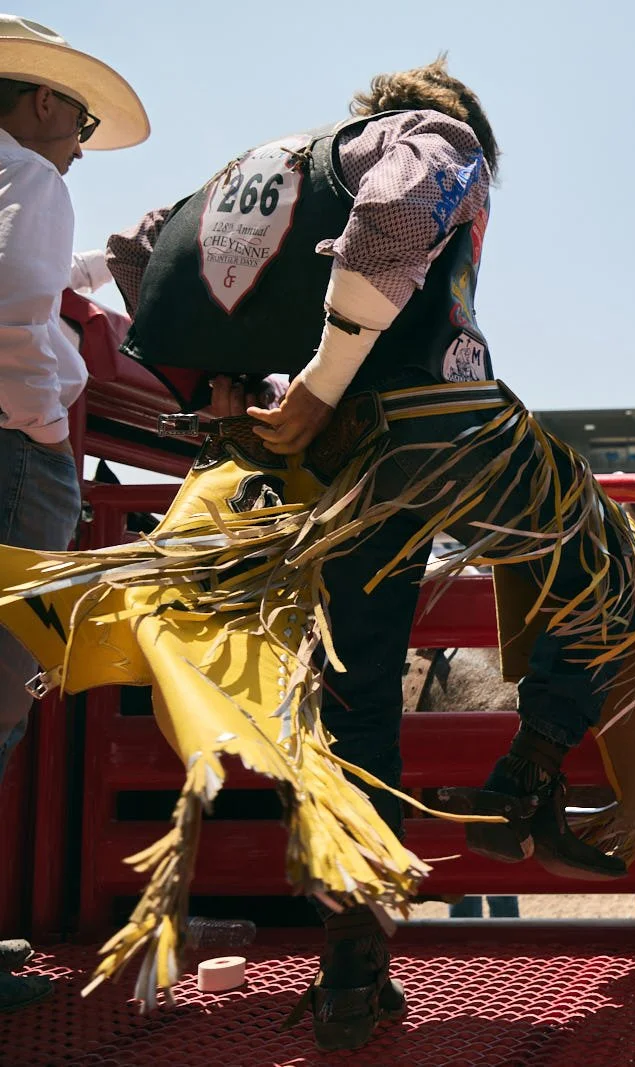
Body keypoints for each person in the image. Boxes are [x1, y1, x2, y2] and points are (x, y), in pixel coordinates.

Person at [1, 57, 635, 1047]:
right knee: (610, 553)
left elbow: (142, 251)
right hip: (436, 427)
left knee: (355, 708)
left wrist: (219, 385)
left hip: (340, 475)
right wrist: (323, 371)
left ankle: (351, 975)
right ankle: (531, 774)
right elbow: (397, 207)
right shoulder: (435, 135)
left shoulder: (257, 172)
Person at [0, 13, 148, 1014]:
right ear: (43, 99)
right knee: (3, 684)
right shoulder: (31, 177)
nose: (82, 146)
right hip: (13, 451)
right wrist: (48, 419)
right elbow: (16, 294)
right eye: (81, 119)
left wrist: (94, 262)